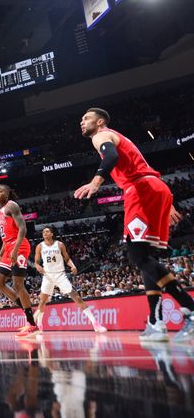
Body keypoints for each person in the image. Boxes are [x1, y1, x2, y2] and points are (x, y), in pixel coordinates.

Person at [74, 107, 192, 342]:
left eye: (86, 118)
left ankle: (189, 308)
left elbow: (111, 158)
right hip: (154, 188)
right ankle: (156, 322)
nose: (81, 122)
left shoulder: (102, 135)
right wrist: (164, 201)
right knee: (148, 260)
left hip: (141, 191)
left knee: (137, 256)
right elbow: (140, 166)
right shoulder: (121, 137)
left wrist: (96, 183)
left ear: (100, 122)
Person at [33, 226, 106, 333]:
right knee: (42, 302)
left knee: (76, 297)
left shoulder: (59, 245)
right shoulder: (40, 246)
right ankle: (39, 324)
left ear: (52, 234)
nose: (45, 233)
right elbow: (36, 261)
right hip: (48, 276)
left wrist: (73, 266)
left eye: (47, 231)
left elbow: (67, 259)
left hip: (60, 275)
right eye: (43, 232)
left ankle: (95, 323)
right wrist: (37, 266)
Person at [0, 184, 38, 337]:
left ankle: (31, 323)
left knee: (18, 284)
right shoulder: (0, 211)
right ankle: (28, 311)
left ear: (8, 193)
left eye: (0, 191)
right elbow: (6, 237)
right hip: (9, 246)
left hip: (19, 245)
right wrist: (1, 253)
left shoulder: (11, 205)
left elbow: (23, 229)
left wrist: (16, 249)